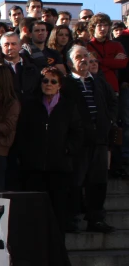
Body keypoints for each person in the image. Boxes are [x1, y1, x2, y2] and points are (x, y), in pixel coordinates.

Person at [16, 66, 84, 235]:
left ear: (59, 85)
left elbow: (78, 132)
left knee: (58, 212)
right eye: (45, 81)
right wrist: (26, 155)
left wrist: (67, 150)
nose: (48, 84)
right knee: (34, 212)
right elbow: (22, 132)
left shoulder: (68, 106)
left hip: (59, 169)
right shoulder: (31, 105)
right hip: (34, 169)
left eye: (53, 81)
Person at [64, 46, 116, 234]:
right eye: (79, 57)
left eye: (86, 56)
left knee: (98, 182)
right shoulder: (66, 84)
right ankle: (72, 219)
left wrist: (107, 121)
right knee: (75, 182)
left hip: (99, 141)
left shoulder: (99, 82)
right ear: (70, 63)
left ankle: (96, 219)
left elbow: (112, 102)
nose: (84, 60)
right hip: (78, 143)